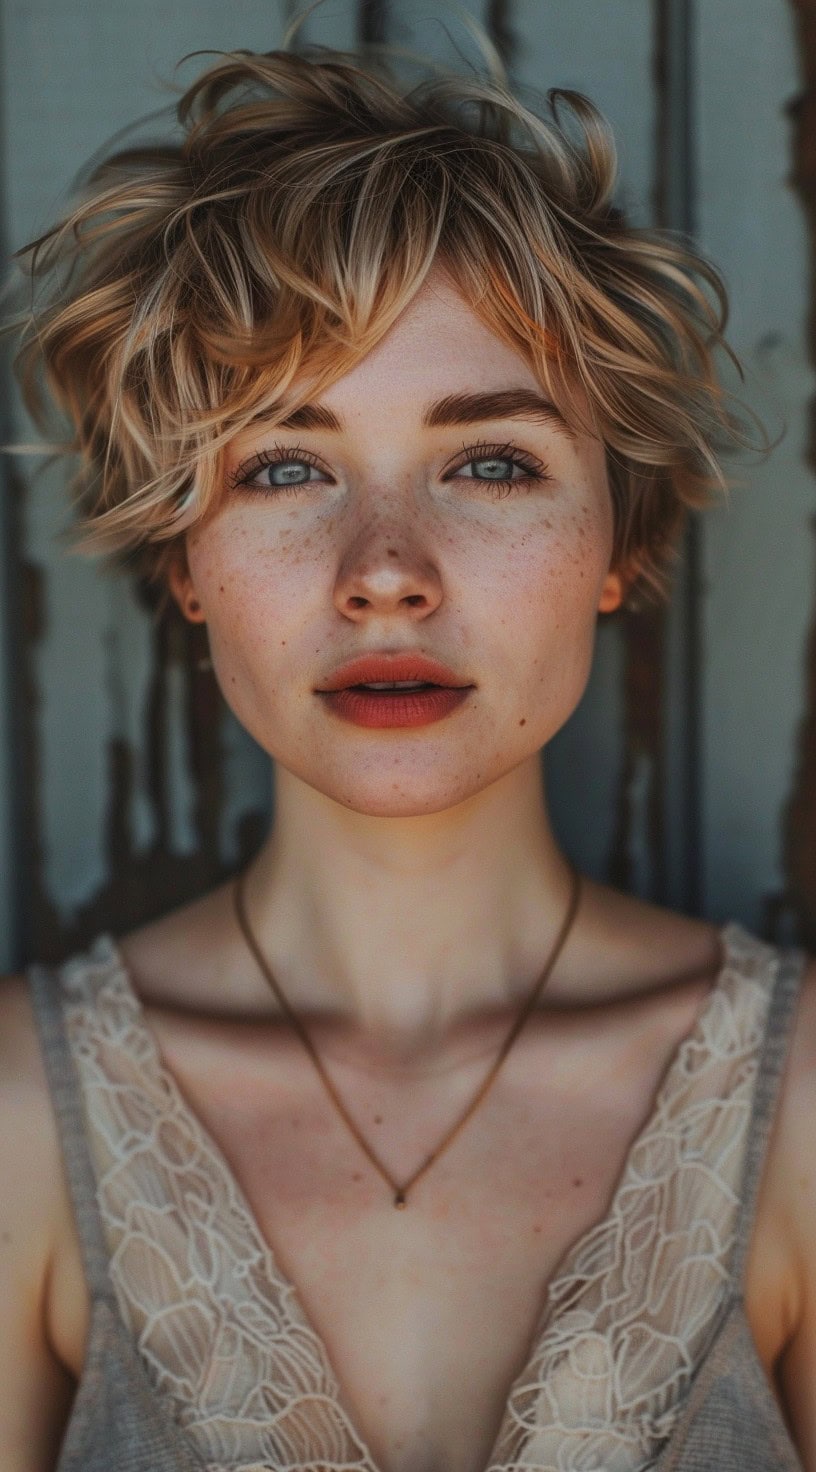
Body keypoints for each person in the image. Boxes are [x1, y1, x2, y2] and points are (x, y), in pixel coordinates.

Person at [0, 37, 814, 1472]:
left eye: (490, 462)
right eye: (285, 467)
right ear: (185, 557)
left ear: (617, 539)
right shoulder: (21, 1118)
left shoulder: (800, 1100)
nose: (384, 573)